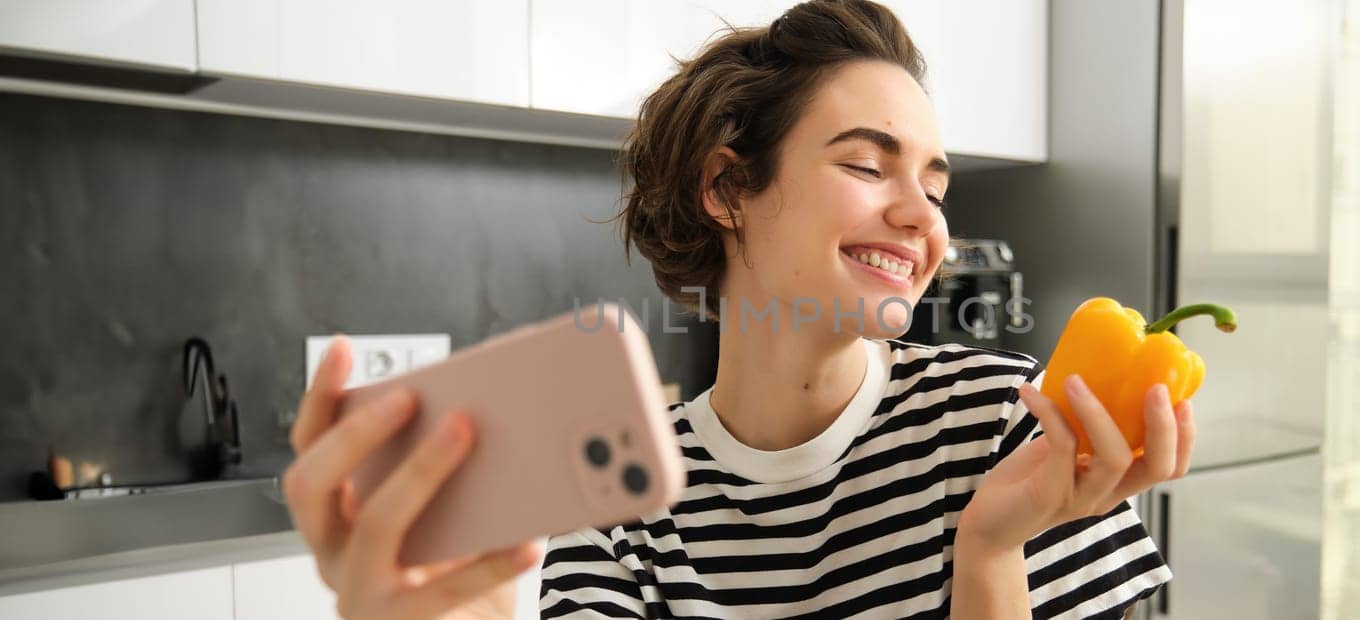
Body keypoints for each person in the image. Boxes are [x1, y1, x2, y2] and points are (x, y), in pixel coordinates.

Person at [285, 1, 1194, 618]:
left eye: (933, 180)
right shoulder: (621, 508)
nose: (925, 218)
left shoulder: (1009, 426)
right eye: (867, 165)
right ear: (728, 187)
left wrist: (989, 556)